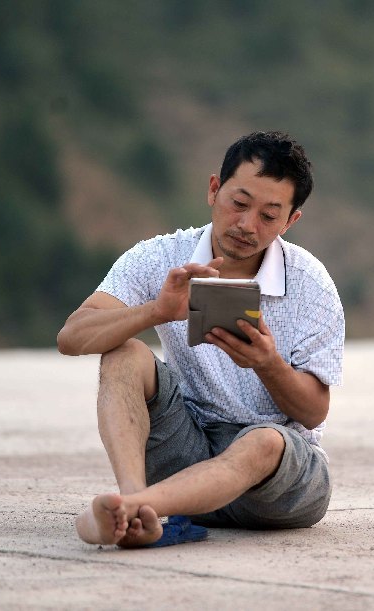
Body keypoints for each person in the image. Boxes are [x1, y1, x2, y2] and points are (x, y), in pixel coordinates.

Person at [57, 131, 345, 548]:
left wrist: (268, 364)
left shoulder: (311, 284)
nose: (247, 225)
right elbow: (71, 337)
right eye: (239, 203)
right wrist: (156, 312)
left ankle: (132, 509)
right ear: (214, 189)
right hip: (184, 456)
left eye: (269, 216)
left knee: (265, 440)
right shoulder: (161, 257)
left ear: (290, 221)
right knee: (124, 354)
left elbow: (314, 413)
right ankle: (135, 508)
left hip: (274, 490)